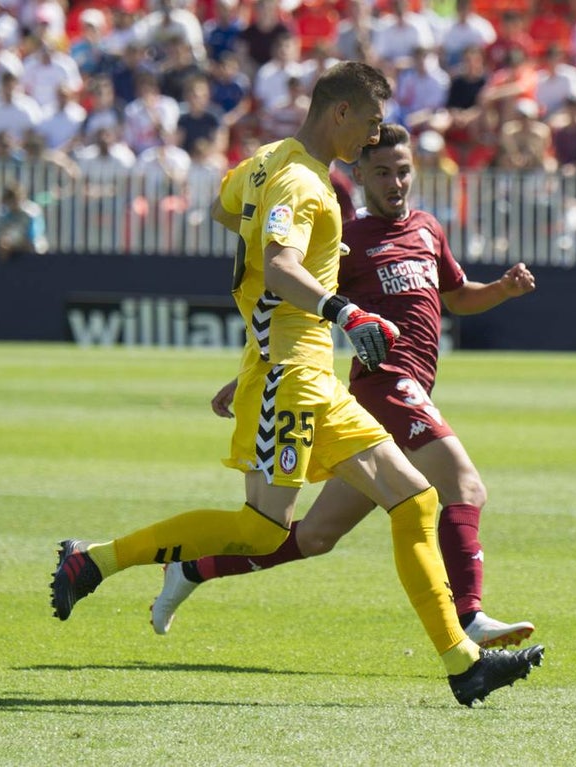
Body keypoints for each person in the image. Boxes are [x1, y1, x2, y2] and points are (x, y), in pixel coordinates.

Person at [49, 62, 543, 707]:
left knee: (414, 500)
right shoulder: (305, 184)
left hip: (303, 373)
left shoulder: (265, 163)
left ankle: (462, 662)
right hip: (293, 374)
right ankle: (96, 560)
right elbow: (281, 265)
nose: (371, 139)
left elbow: (226, 211)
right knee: (263, 530)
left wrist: (269, 307)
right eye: (368, 124)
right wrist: (342, 309)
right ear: (339, 112)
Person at [151, 122, 537, 651]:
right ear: (358, 175)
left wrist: (500, 290)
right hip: (386, 384)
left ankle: (192, 571)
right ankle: (468, 617)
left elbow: (456, 295)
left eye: (402, 172)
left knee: (314, 536)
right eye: (382, 172)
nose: (395, 183)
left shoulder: (427, 228)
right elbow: (298, 308)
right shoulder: (347, 239)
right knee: (465, 487)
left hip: (401, 398)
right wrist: (247, 376)